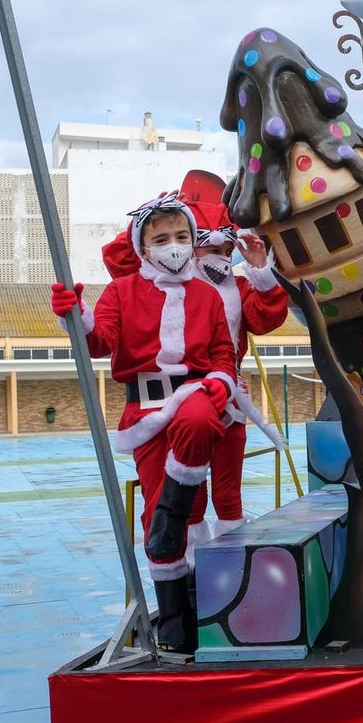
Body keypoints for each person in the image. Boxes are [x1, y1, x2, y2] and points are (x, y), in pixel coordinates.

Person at [51, 194, 237, 652]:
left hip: (195, 396)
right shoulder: (121, 292)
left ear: (193, 240)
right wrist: (76, 314)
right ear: (143, 246)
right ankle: (176, 619)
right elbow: (99, 340)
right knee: (166, 518)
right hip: (146, 414)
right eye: (160, 239)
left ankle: (172, 520)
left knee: (195, 417)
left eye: (180, 236)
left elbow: (222, 356)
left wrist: (220, 382)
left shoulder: (209, 295)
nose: (172, 246)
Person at [102, 193, 290, 561]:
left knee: (228, 491)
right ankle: (190, 567)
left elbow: (265, 318)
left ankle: (230, 569)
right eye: (207, 245)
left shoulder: (237, 287)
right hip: (179, 402)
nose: (217, 255)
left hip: (228, 396)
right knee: (191, 495)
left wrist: (261, 273)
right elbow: (119, 259)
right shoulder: (166, 285)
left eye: (224, 247)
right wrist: (146, 216)